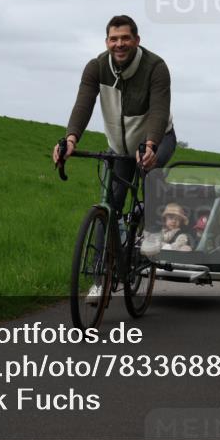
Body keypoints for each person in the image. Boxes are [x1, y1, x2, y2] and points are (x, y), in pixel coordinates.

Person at [54, 15, 176, 296]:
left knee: (150, 172)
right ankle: (100, 279)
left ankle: (152, 228)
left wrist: (151, 144)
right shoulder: (96, 67)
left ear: (136, 40)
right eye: (113, 39)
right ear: (107, 41)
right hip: (120, 147)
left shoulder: (155, 67)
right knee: (108, 206)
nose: (119, 44)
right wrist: (71, 139)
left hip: (158, 138)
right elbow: (83, 104)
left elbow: (158, 110)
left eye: (125, 38)